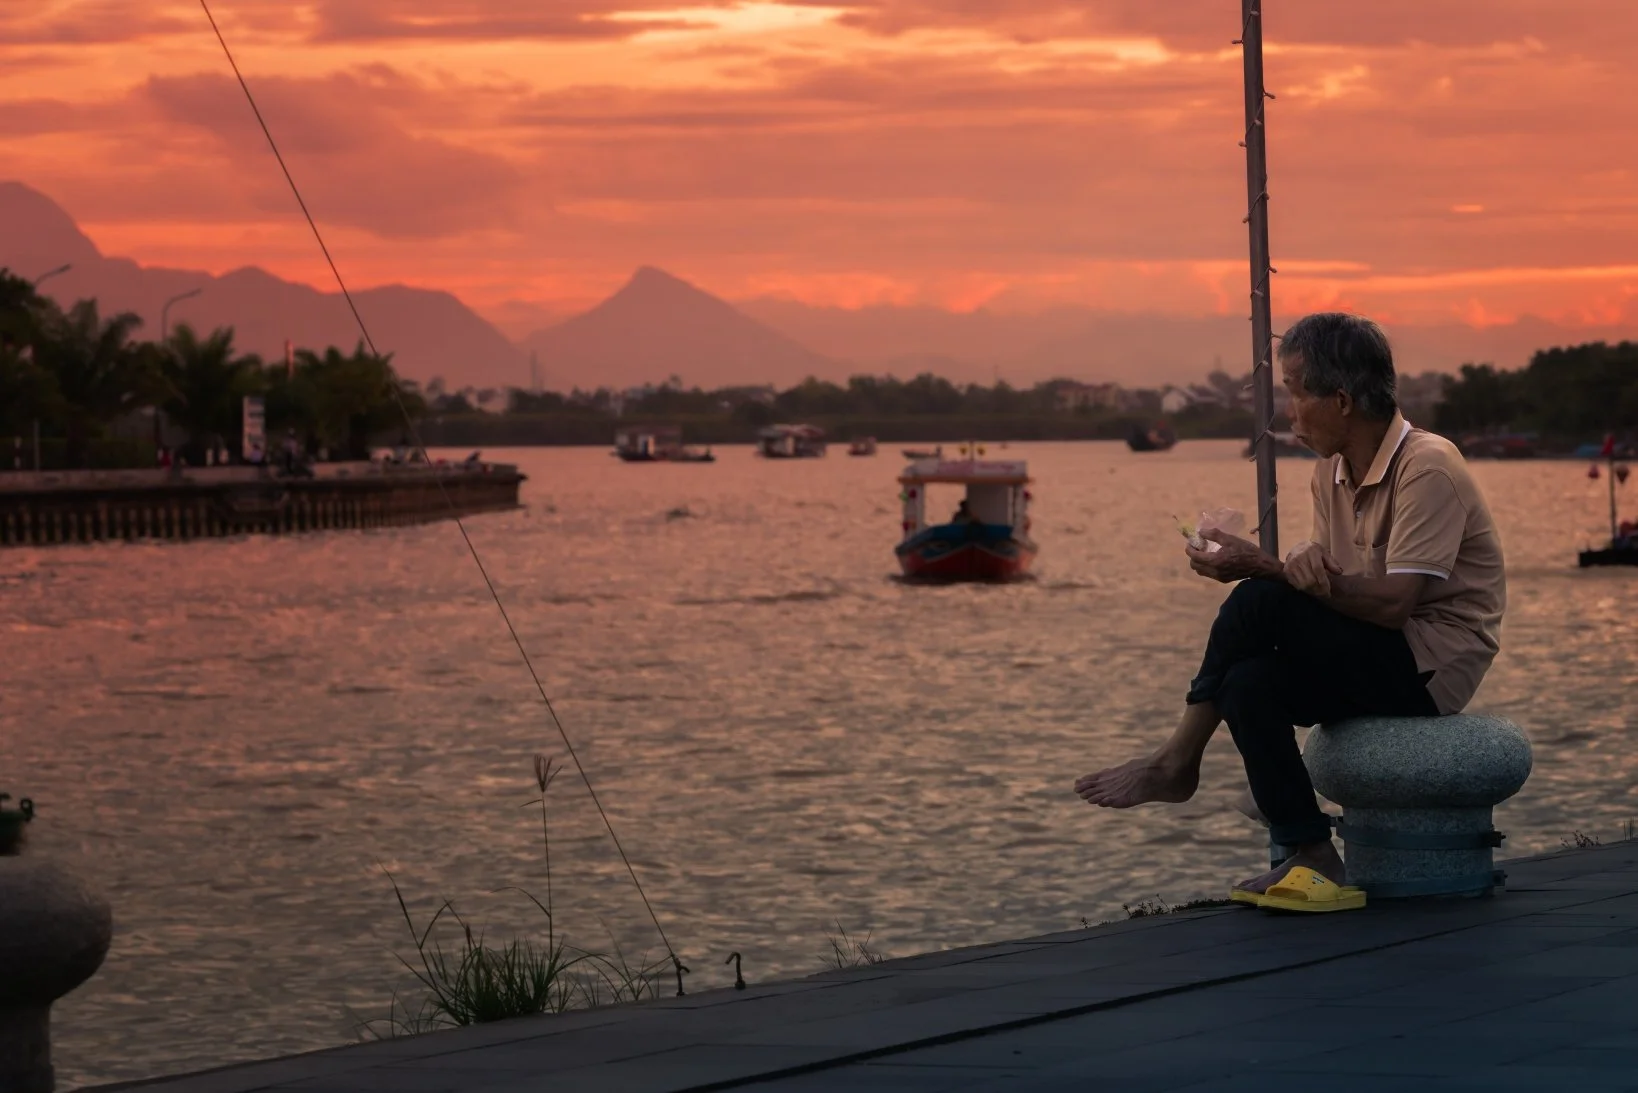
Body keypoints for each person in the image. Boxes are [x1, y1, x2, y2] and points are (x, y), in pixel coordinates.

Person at [1075, 312, 1506, 911]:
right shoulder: (1330, 472)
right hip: (1373, 649)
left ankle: (1177, 761)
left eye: (1296, 393)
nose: (1290, 410)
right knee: (1248, 682)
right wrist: (1282, 566)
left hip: (1430, 664)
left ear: (1342, 400)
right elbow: (1327, 589)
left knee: (1256, 600)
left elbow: (1392, 605)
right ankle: (1312, 852)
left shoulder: (1427, 466)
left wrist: (1266, 569)